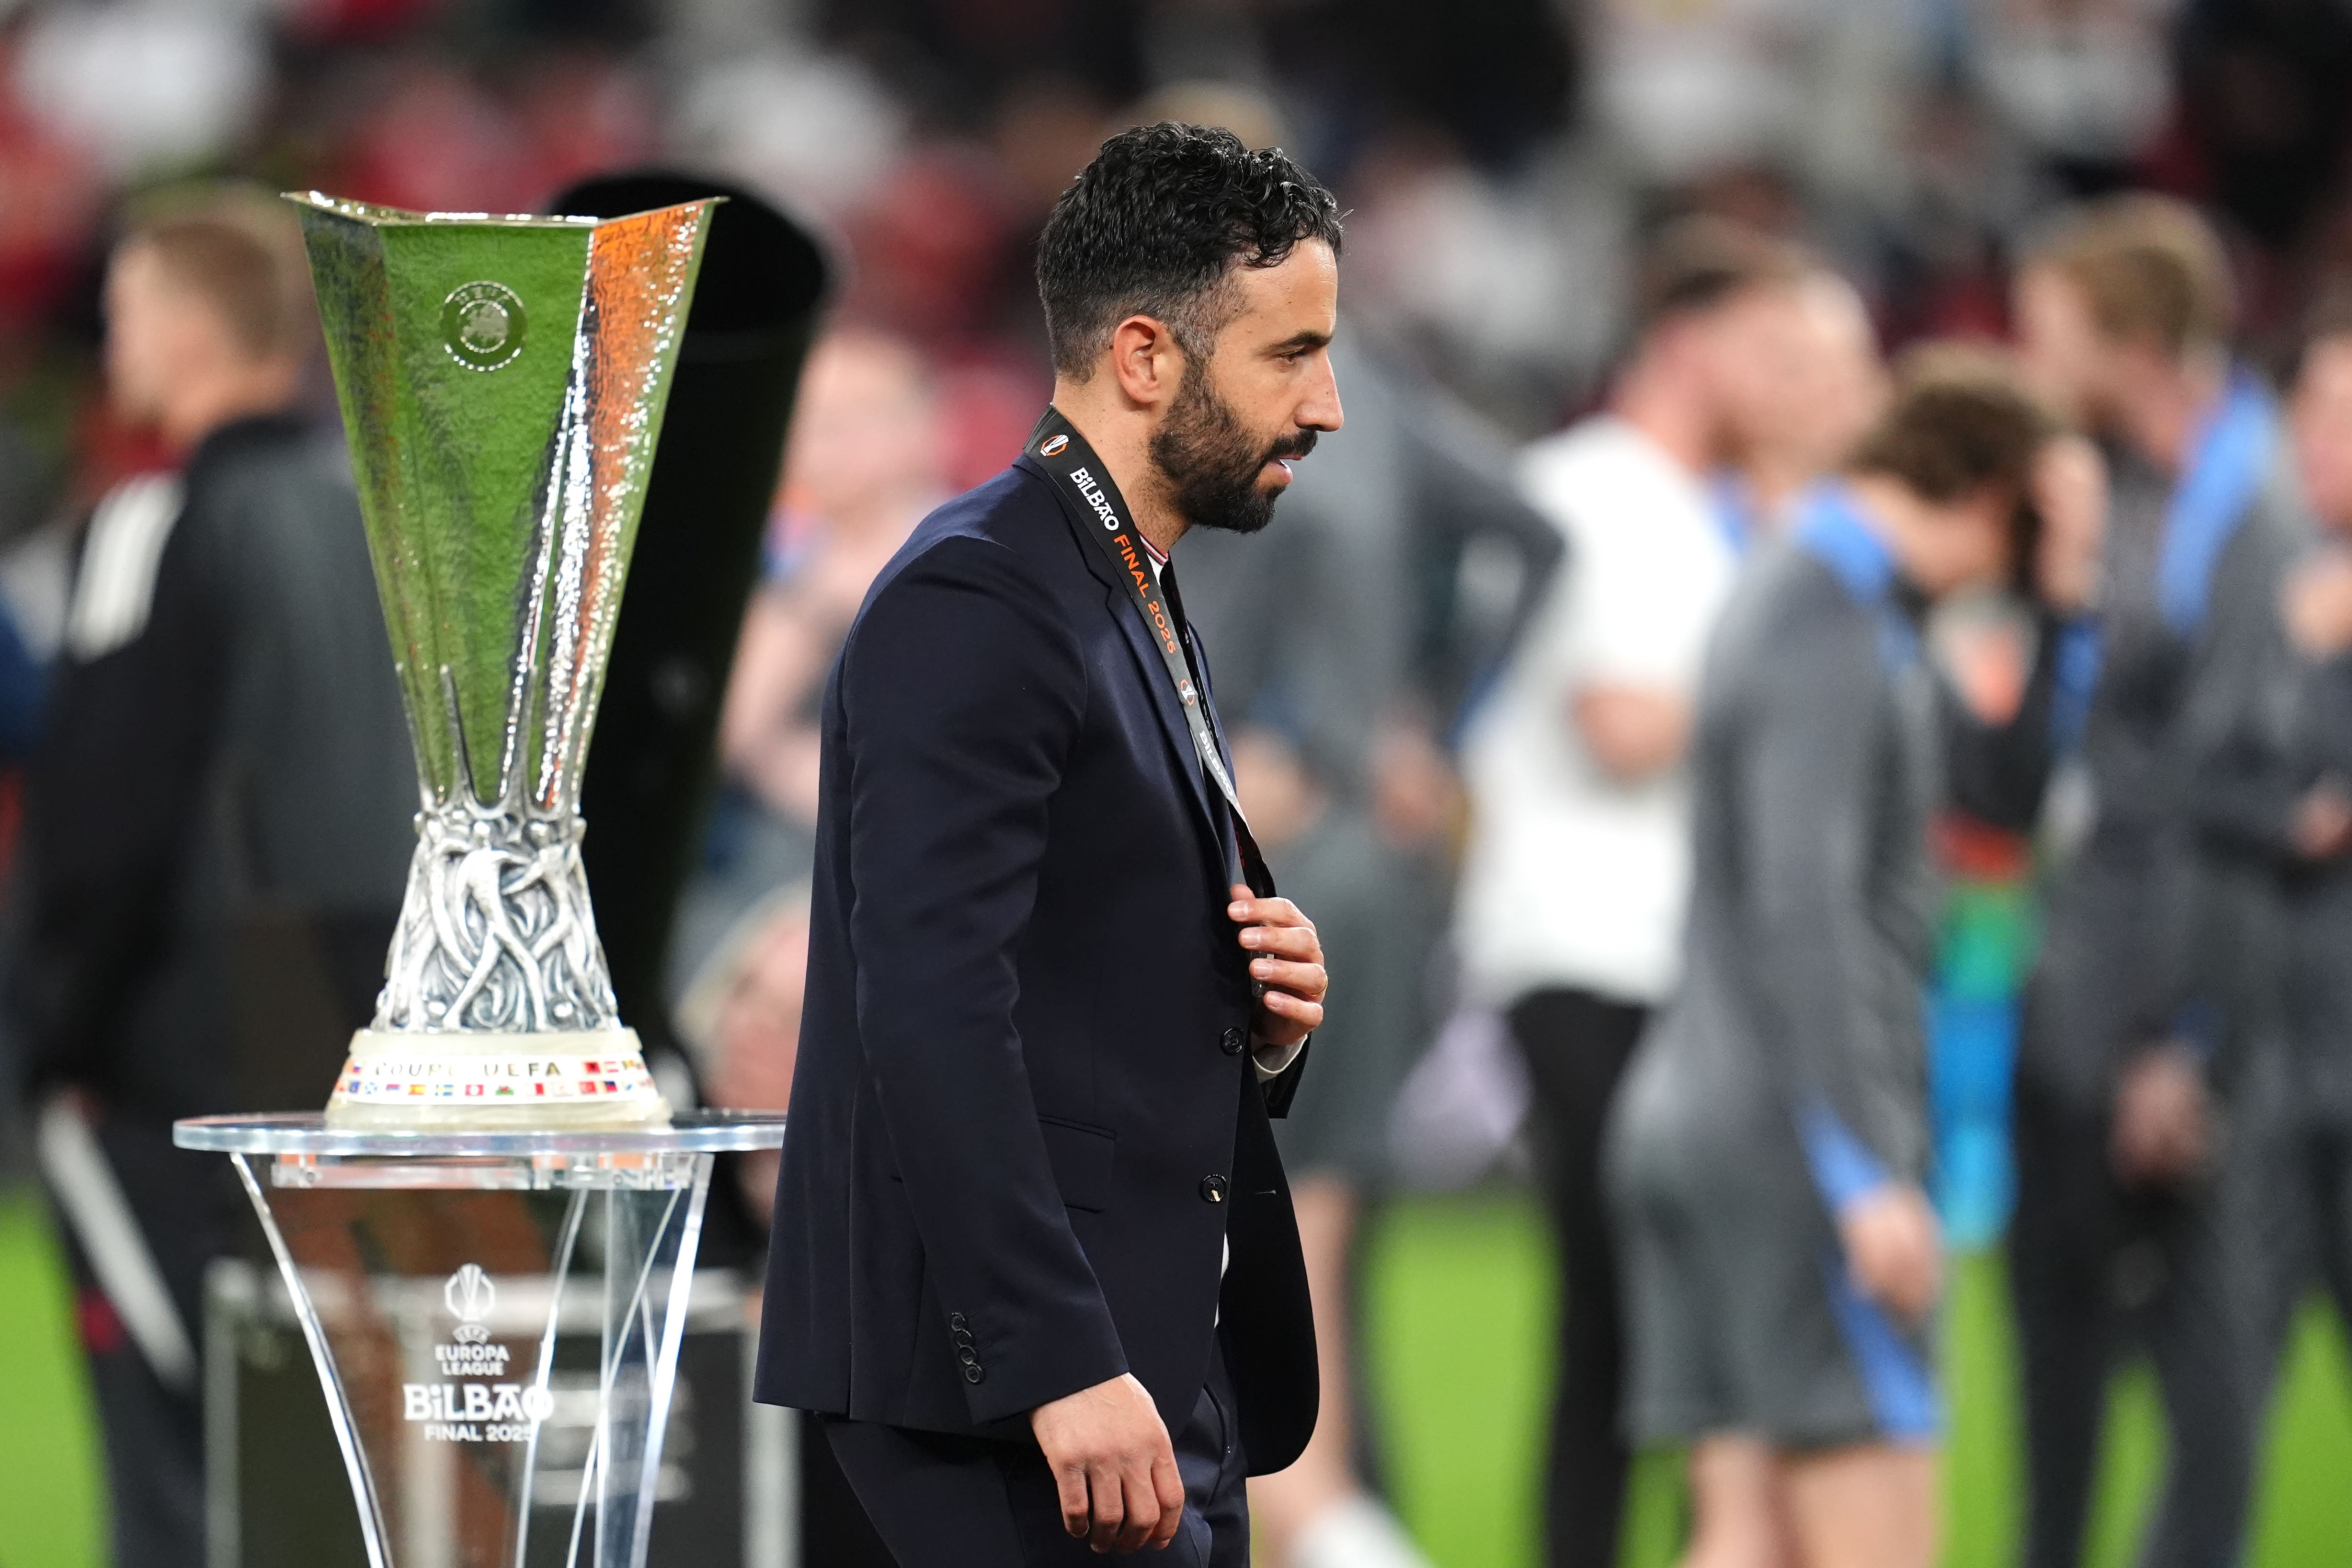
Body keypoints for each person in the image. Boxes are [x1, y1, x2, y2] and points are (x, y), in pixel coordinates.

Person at [754, 123, 1340, 1567]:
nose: (1325, 405)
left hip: (1136, 1367)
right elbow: (931, 999)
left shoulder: (1117, 586)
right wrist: (1054, 1361)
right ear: (1144, 357)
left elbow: (1066, 956)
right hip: (1016, 1405)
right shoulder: (982, 597)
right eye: (1289, 354)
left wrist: (1256, 1008)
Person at [1608, 347, 2072, 1568]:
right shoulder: (1829, 612)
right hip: (1792, 1147)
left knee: (1744, 1534)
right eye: (2041, 527)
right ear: (1985, 495)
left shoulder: (1788, 585)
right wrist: (1864, 1168)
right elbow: (1801, 908)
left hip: (1699, 1107)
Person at [11, 187, 414, 1568]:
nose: (113, 344)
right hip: (376, 1031)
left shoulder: (152, 524)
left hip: (192, 1047)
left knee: (183, 1446)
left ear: (185, 329)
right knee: (339, 1441)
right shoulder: (393, 515)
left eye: (125, 314)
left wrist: (57, 1031)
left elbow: (108, 811)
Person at [1450, 215, 1809, 1568]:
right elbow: (1618, 721)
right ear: (1683, 345)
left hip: (1676, 959)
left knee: (1666, 1319)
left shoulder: (1700, 514)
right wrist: (1793, 693)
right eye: (1763, 348)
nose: (1785, 380)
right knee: (1620, 1311)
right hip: (1581, 946)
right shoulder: (1586, 491)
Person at [2004, 194, 2309, 1568]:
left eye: (2047, 328)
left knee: (2204, 1367)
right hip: (2102, 981)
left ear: (2128, 340)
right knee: (2065, 1357)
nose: (2026, 354)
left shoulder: (2254, 513)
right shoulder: (2134, 489)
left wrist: (2171, 1043)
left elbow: (2220, 800)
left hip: (2201, 1002)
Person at [2217, 309, 2352, 1447]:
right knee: (2215, 1421)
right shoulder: (2252, 590)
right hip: (2256, 1063)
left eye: (2344, 422)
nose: (2320, 443)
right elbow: (2172, 782)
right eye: (2307, 416)